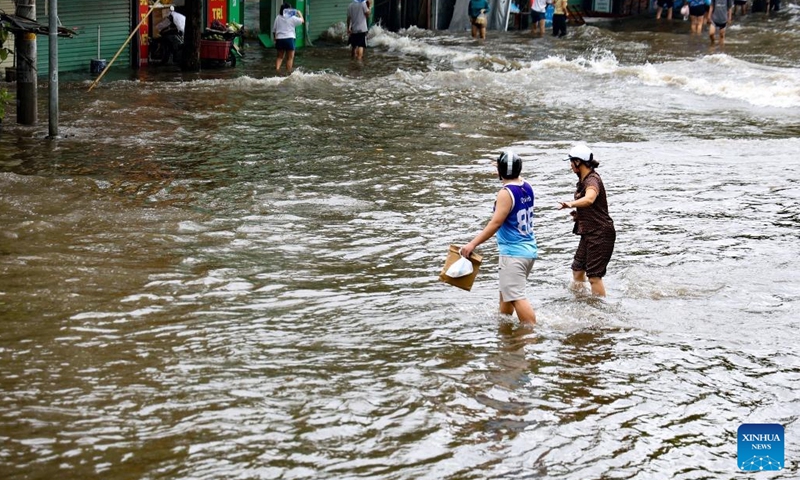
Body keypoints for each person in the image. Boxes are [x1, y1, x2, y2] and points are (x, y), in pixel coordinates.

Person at [460, 150, 538, 326]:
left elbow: (495, 224)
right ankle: (505, 335)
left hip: (513, 254)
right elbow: (514, 175)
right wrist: (502, 168)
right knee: (506, 296)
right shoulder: (527, 186)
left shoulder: (505, 193)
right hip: (528, 251)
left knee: (517, 297)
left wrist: (472, 244)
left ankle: (531, 334)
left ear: (501, 172)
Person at [558, 144, 615, 297]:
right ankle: (582, 303)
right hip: (589, 232)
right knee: (577, 270)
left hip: (600, 233)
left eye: (571, 161)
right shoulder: (583, 180)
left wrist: (571, 203)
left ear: (578, 162)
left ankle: (600, 311)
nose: (570, 165)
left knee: (594, 276)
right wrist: (579, 215)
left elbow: (590, 199)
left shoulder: (592, 180)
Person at [273, 2, 304, 73]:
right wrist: (299, 13)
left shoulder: (278, 17)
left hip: (279, 39)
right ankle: (288, 73)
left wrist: (275, 38)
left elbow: (274, 30)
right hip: (289, 39)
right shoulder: (292, 17)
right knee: (289, 58)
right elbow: (302, 21)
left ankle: (277, 71)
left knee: (279, 57)